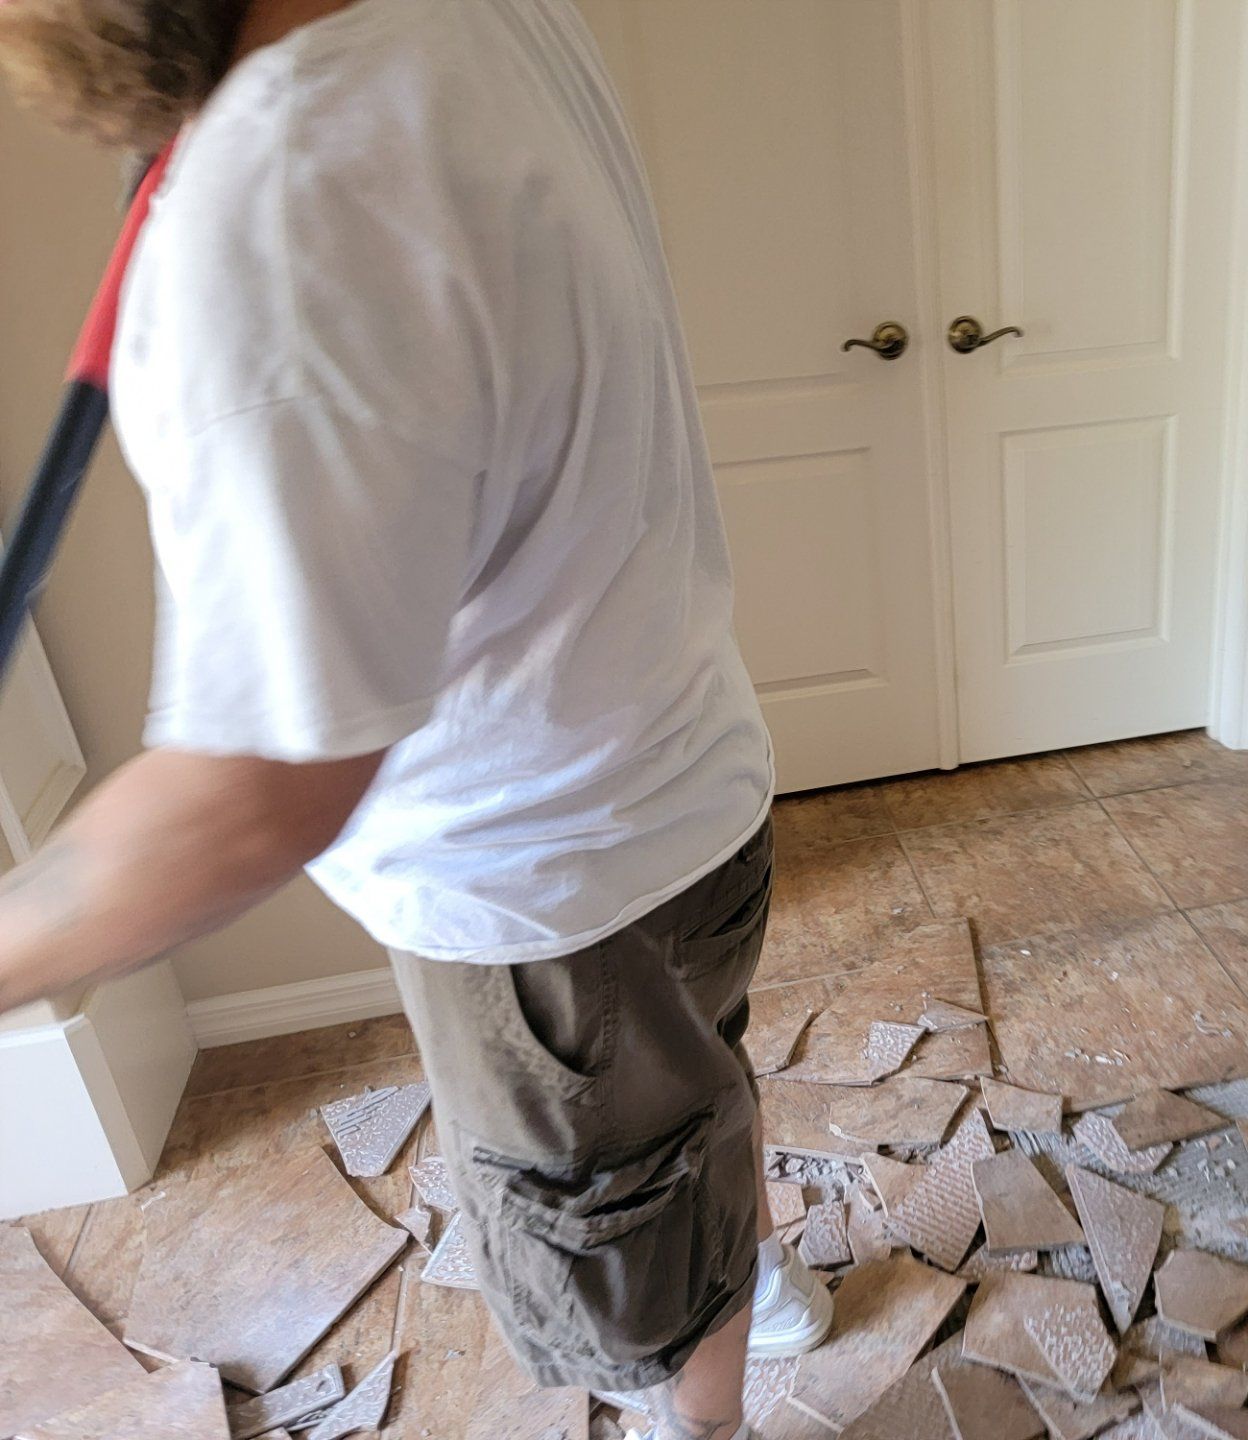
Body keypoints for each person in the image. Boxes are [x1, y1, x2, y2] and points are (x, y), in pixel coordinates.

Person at [0, 1, 823, 1434]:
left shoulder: (282, 207)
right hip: (688, 781)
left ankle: (704, 1406)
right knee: (689, 1105)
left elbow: (254, 792)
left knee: (626, 1248)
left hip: (545, 899)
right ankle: (747, 1281)